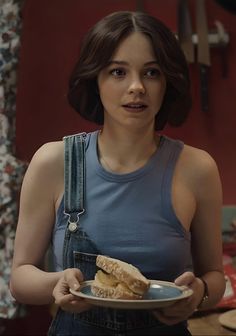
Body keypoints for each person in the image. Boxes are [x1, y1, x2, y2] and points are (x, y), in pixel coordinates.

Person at [10, 10, 225, 336]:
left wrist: (197, 294)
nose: (137, 87)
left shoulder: (198, 169)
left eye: (151, 72)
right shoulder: (53, 162)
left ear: (168, 81)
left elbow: (214, 277)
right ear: (95, 79)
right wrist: (58, 283)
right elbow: (20, 278)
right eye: (118, 72)